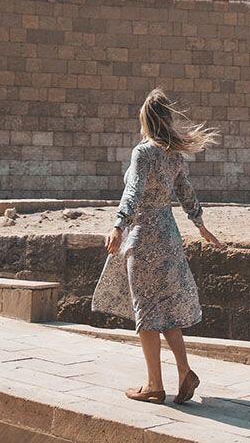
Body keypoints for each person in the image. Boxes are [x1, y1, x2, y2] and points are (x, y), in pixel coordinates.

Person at [91, 87, 222, 404]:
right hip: (170, 235)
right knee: (167, 311)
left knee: (147, 313)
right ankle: (184, 371)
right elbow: (186, 192)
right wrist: (200, 224)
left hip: (144, 236)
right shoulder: (173, 154)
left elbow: (133, 192)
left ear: (146, 121)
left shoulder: (144, 152)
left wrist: (118, 225)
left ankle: (154, 385)